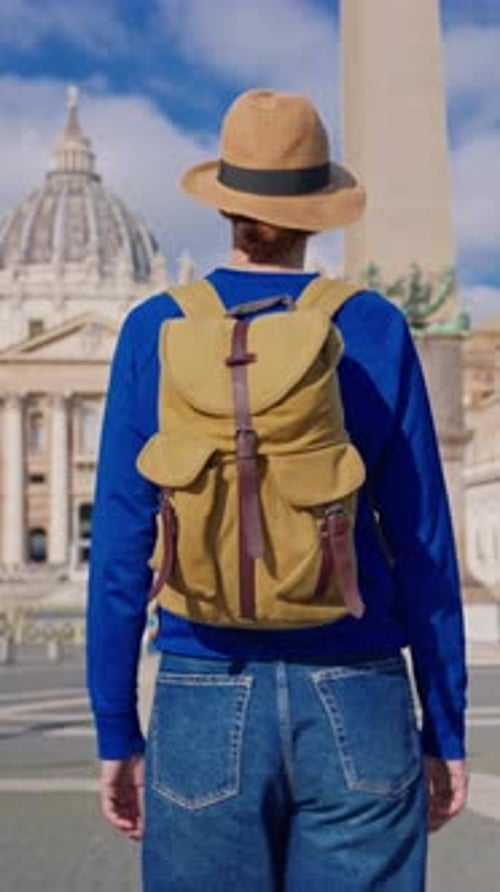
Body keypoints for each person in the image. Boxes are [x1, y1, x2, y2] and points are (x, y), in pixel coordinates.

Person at [87, 89, 468, 891]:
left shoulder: (154, 328)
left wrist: (116, 730)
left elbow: (121, 550)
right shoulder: (372, 327)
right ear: (319, 212)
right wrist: (447, 728)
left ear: (225, 206)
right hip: (357, 687)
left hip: (201, 681)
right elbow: (424, 544)